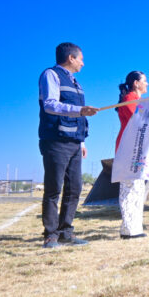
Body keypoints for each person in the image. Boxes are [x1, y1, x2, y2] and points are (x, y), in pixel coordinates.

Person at [38, 42, 98, 249]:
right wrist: (80, 110)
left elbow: (78, 115)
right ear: (71, 58)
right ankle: (51, 235)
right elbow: (50, 104)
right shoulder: (51, 75)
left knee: (75, 188)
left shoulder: (76, 83)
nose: (83, 63)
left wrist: (81, 141)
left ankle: (66, 231)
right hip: (55, 140)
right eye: (80, 58)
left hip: (74, 142)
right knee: (54, 188)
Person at [115, 71, 149, 239]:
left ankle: (134, 227)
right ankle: (128, 229)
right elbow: (139, 121)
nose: (147, 84)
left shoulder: (139, 101)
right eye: (145, 81)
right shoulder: (129, 99)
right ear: (136, 83)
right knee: (130, 188)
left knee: (138, 188)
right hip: (129, 148)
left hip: (137, 148)